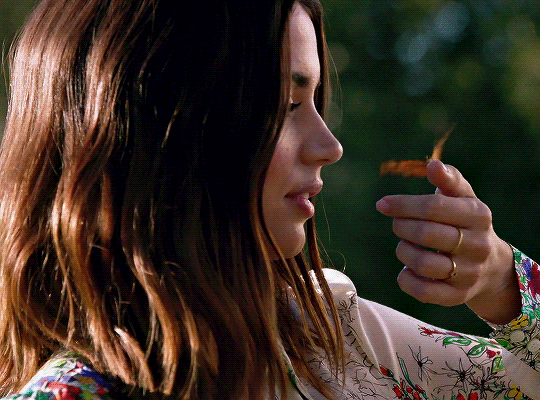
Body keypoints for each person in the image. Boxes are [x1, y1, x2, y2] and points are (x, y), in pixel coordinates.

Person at [0, 0, 538, 399]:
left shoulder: (341, 344)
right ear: (164, 133)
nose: (330, 146)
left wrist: (500, 282)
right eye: (286, 104)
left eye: (316, 100)